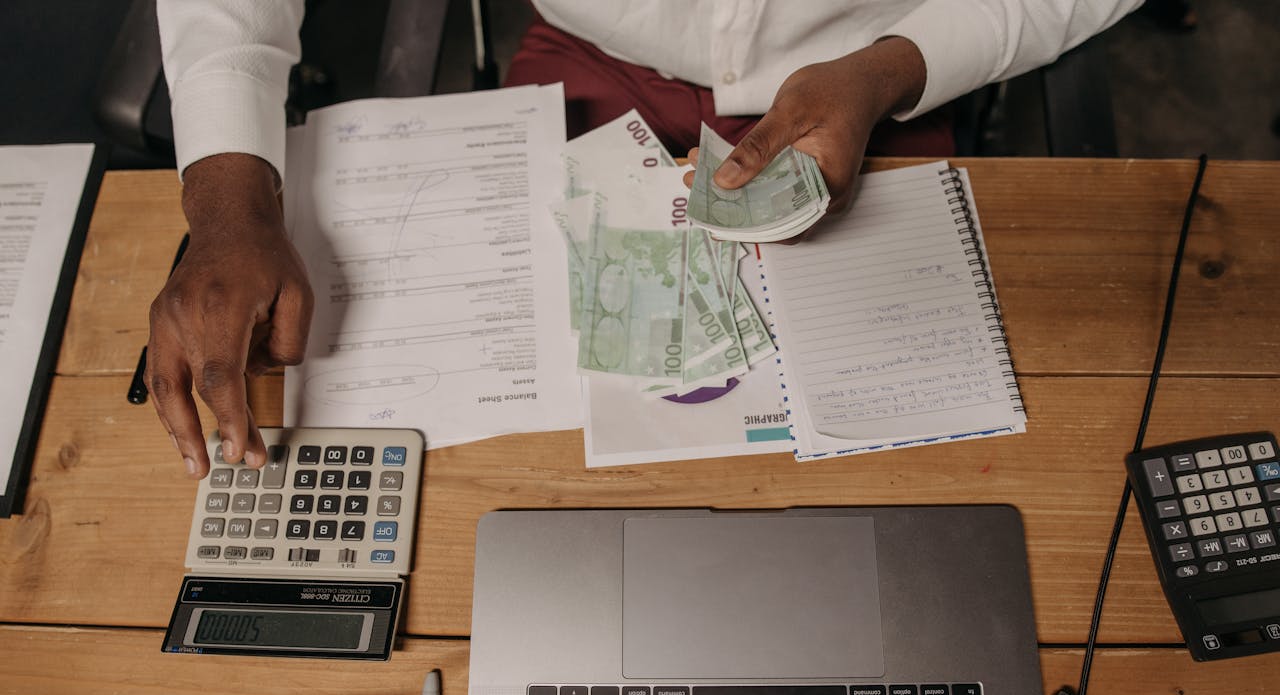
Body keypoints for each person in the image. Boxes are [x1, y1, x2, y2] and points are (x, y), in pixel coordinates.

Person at [150, 0, 1140, 478]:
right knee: (520, 475)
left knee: (898, 481)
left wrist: (896, 68)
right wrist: (230, 189)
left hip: (874, 73)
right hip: (589, 58)